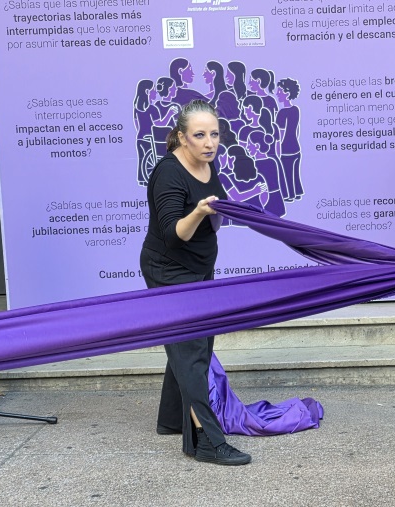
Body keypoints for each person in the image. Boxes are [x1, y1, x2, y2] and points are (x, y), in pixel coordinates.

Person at [139, 99, 250, 466]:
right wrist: (199, 211)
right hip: (169, 269)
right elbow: (173, 234)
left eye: (214, 134)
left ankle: (171, 420)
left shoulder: (207, 164)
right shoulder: (168, 173)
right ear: (182, 137)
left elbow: (211, 220)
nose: (209, 142)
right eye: (199, 135)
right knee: (191, 352)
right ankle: (208, 441)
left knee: (192, 345)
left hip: (201, 267)